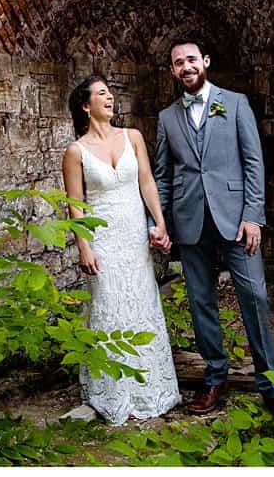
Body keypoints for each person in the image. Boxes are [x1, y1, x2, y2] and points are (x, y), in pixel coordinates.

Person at [150, 37, 274, 416]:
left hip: (236, 220)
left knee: (255, 298)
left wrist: (253, 216)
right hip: (190, 223)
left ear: (205, 61)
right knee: (201, 303)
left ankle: (272, 386)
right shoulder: (167, 118)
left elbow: (254, 162)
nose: (186, 67)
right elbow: (163, 176)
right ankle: (215, 379)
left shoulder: (234, 103)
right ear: (172, 71)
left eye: (191, 60)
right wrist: (160, 223)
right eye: (178, 63)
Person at [61, 74, 181, 425]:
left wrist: (159, 224)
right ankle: (112, 394)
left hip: (133, 237)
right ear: (86, 105)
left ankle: (150, 389)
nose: (110, 98)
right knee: (108, 308)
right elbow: (75, 204)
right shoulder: (76, 151)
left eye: (110, 93)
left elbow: (147, 181)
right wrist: (84, 246)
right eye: (101, 94)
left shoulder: (133, 137)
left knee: (142, 305)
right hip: (103, 241)